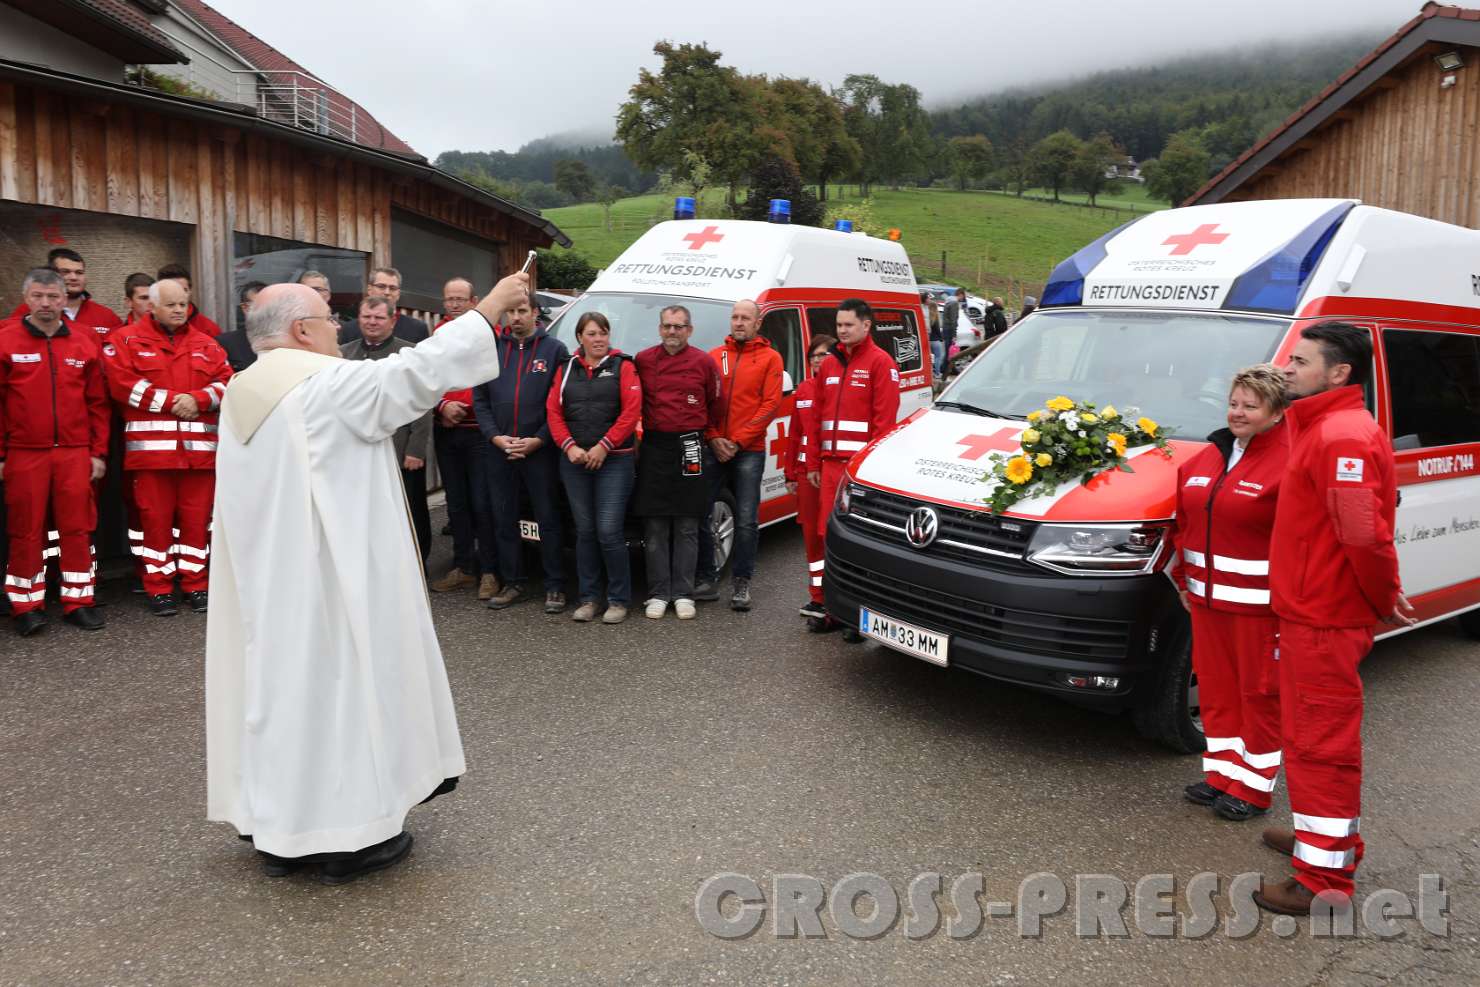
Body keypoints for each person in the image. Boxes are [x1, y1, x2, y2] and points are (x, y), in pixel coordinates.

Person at [206, 269, 530, 883]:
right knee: (340, 695)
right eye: (331, 321)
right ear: (302, 331)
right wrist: (488, 311)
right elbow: (409, 377)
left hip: (269, 587)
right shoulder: (318, 387)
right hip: (329, 584)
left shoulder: (246, 389)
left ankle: (278, 829)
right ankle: (345, 837)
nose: (340, 330)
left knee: (276, 699)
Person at [1254, 323, 1412, 916]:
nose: (1286, 368)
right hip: (1307, 613)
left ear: (1339, 373)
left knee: (1322, 746)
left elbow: (1364, 536)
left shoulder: (1341, 436)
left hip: (1324, 619)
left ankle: (1323, 881)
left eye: (1300, 360)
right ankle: (1319, 840)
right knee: (1304, 737)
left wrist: (1383, 595)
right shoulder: (1321, 426)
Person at [1170, 364, 1291, 822]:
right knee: (1218, 691)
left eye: (1250, 405)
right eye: (1234, 403)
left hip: (1261, 608)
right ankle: (1221, 774)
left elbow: (1301, 541)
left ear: (1276, 411)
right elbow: (1183, 526)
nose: (1237, 413)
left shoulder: (1291, 461)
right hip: (1205, 602)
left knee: (1259, 696)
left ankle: (1255, 788)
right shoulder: (1211, 455)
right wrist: (1183, 582)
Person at [104, 277, 232, 616]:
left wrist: (200, 398)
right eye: (171, 304)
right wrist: (178, 401)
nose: (179, 309)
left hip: (200, 456)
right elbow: (122, 386)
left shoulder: (207, 344)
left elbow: (227, 382)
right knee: (155, 523)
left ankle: (196, 583)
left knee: (196, 521)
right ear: (152, 306)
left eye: (183, 303)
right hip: (152, 456)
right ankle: (159, 587)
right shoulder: (125, 340)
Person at [1, 269, 111, 635]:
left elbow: (98, 403)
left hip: (75, 453)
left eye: (52, 296)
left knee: (78, 528)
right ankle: (25, 604)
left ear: (65, 299)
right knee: (25, 530)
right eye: (38, 296)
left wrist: (98, 453)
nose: (45, 304)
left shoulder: (83, 342)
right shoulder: (5, 340)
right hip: (24, 452)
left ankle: (79, 600)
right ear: (26, 299)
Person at [803, 298, 900, 632]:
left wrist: (867, 475)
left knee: (858, 543)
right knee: (826, 536)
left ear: (866, 325)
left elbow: (883, 426)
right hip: (829, 470)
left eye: (848, 325)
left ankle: (859, 617)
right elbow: (815, 418)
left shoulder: (880, 364)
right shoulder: (828, 365)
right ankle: (828, 606)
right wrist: (814, 462)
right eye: (839, 325)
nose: (842, 330)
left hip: (859, 475)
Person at [473, 294, 569, 613]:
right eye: (510, 311)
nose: (515, 317)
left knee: (548, 519)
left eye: (522, 311)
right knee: (504, 518)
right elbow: (481, 399)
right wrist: (495, 437)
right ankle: (513, 581)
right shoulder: (492, 350)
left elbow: (559, 402)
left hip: (539, 451)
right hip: (499, 450)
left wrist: (538, 440)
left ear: (535, 313)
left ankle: (555, 586)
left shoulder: (555, 350)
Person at [545, 312, 642, 624]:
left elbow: (631, 412)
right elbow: (553, 412)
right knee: (585, 532)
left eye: (603, 333)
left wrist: (604, 446)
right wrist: (569, 447)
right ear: (580, 338)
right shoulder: (566, 368)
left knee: (609, 531)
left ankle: (618, 599)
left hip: (615, 460)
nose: (598, 339)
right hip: (574, 461)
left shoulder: (623, 367)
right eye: (591, 334)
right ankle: (589, 598)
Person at [632, 305, 722, 620]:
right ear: (659, 328)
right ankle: (658, 593)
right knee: (655, 524)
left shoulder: (704, 362)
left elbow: (714, 404)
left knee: (687, 524)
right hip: (655, 445)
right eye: (667, 326)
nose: (673, 332)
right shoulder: (643, 360)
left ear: (690, 330)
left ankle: (683, 593)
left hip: (691, 445)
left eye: (679, 327)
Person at [694, 299, 783, 611]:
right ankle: (706, 577)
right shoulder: (714, 357)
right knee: (702, 512)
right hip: (714, 446)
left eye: (746, 317)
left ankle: (741, 583)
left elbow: (770, 404)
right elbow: (702, 402)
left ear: (758, 323)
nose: (739, 322)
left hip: (749, 451)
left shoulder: (771, 359)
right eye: (735, 317)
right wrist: (715, 437)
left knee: (746, 519)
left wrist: (738, 441)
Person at [342, 297, 434, 569]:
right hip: (356, 451)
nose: (372, 322)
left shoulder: (409, 354)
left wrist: (416, 449)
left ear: (392, 320)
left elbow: (422, 403)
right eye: (367, 317)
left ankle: (417, 564)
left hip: (400, 449)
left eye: (379, 318)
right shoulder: (343, 354)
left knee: (410, 511)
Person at [430, 277, 500, 600]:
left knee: (482, 503)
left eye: (461, 299)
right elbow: (429, 377)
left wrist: (467, 406)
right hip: (448, 429)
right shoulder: (438, 334)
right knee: (455, 504)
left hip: (479, 433)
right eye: (450, 299)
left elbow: (492, 379)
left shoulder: (489, 333)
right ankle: (463, 566)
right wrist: (443, 405)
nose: (455, 305)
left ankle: (489, 570)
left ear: (474, 301)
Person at [786, 333, 835, 621]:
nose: (818, 360)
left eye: (824, 354)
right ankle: (817, 597)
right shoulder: (803, 390)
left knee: (829, 534)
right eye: (814, 355)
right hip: (806, 475)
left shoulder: (838, 389)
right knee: (811, 538)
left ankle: (838, 598)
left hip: (830, 473)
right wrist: (790, 472)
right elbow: (795, 434)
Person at [7, 248, 122, 333]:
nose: (73, 277)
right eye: (65, 272)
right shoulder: (27, 311)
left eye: (79, 272)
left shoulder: (106, 316)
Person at [337, 267, 429, 345]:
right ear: (369, 289)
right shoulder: (349, 329)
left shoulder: (417, 329)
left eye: (392, 288)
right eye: (381, 286)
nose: (387, 292)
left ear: (398, 293)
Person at [156, 264, 223, 337]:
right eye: (170, 290)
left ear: (190, 291)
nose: (178, 295)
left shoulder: (208, 329)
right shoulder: (148, 326)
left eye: (183, 290)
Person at [218, 281, 266, 373]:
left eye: (270, 305)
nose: (266, 311)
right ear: (245, 308)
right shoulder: (227, 343)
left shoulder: (287, 341)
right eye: (259, 306)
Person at [923, 290, 945, 380]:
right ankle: (937, 373)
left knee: (930, 357)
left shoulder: (927, 317)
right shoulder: (935, 317)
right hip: (935, 340)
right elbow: (937, 330)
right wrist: (941, 338)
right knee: (938, 357)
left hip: (928, 340)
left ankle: (931, 372)